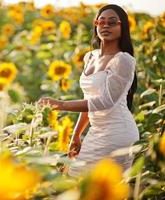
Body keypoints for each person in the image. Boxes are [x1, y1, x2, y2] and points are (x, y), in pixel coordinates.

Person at [38, 4, 139, 177]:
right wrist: (76, 135)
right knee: (78, 180)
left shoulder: (123, 60)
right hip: (96, 131)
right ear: (96, 25)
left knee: (89, 184)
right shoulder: (90, 57)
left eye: (112, 22)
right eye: (101, 21)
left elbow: (105, 102)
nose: (105, 25)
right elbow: (90, 100)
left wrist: (61, 105)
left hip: (118, 133)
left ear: (123, 27)